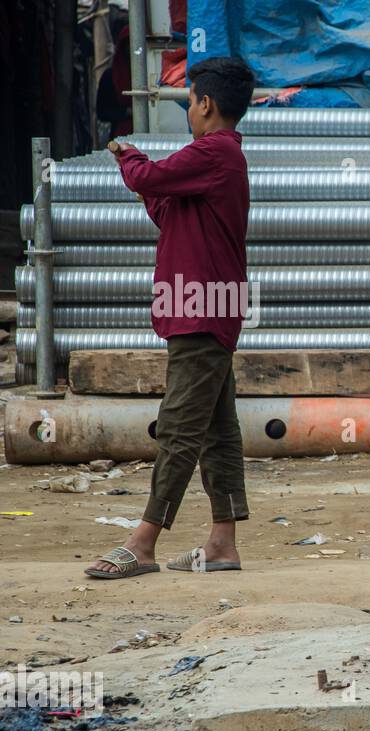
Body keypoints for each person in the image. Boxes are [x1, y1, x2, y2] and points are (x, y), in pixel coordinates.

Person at [84, 57, 256, 580]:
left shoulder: (213, 152)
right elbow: (163, 202)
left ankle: (143, 541)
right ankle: (222, 543)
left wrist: (125, 153)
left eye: (190, 102)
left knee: (179, 425)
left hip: (201, 306)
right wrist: (146, 181)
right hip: (206, 305)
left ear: (205, 103)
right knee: (217, 430)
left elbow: (150, 176)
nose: (188, 112)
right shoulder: (218, 161)